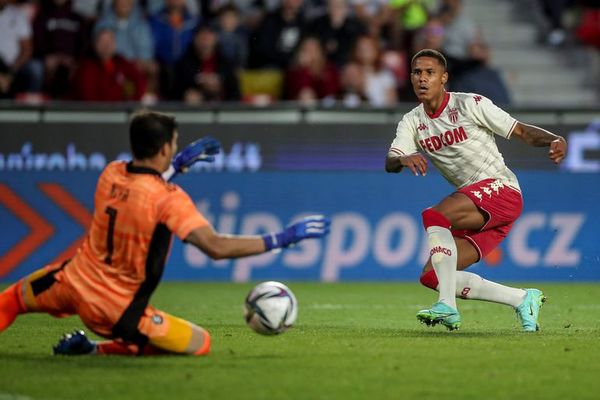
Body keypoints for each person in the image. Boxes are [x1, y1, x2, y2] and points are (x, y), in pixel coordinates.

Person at [0, 110, 330, 356]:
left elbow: (139, 185)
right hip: (114, 311)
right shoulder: (168, 199)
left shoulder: (111, 174)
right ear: (162, 150)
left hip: (68, 282)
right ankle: (95, 349)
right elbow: (214, 246)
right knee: (200, 343)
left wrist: (177, 166)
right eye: (173, 143)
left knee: (11, 300)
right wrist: (283, 239)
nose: (175, 147)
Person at [385, 49, 567, 332]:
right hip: (477, 208)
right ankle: (522, 298)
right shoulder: (412, 121)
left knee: (435, 216)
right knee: (433, 275)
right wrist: (402, 158)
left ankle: (447, 306)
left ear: (443, 78)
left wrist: (554, 139)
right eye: (417, 72)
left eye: (429, 72)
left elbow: (519, 131)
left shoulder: (470, 105)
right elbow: (390, 162)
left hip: (502, 191)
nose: (422, 78)